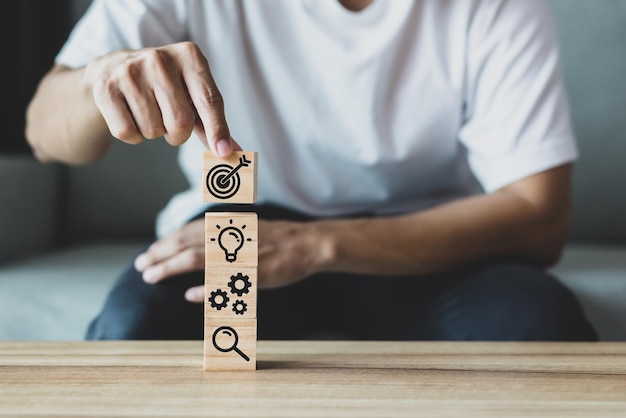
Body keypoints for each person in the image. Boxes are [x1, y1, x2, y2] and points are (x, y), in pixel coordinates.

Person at [26, 0, 597, 341]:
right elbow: (44, 133)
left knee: (539, 325)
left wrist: (314, 243)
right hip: (240, 233)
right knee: (134, 328)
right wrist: (96, 80)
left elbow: (538, 217)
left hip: (423, 240)